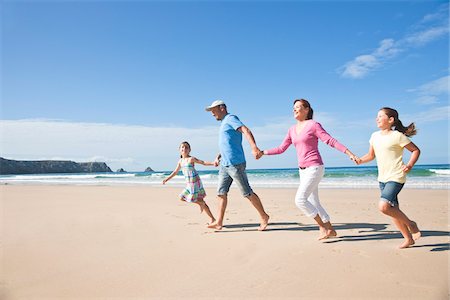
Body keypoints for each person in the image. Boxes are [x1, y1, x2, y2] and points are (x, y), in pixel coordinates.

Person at [258, 99, 358, 240]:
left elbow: (330, 140)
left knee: (300, 200)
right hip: (302, 170)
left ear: (306, 110)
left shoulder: (313, 125)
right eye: (293, 108)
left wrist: (349, 153)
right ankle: (331, 230)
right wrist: (263, 152)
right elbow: (281, 149)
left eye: (298, 107)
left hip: (315, 167)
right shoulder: (291, 130)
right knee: (314, 202)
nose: (295, 110)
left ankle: (323, 227)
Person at [355, 107, 421, 249]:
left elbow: (415, 150)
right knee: (393, 210)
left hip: (396, 176)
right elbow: (371, 155)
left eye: (380, 116)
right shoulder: (374, 136)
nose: (377, 119)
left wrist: (409, 165)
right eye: (376, 116)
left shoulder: (397, 136)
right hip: (382, 178)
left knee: (384, 207)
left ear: (390, 120)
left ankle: (411, 224)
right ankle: (409, 239)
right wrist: (360, 160)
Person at [205, 100, 270, 231]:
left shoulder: (231, 118)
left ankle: (264, 216)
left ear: (222, 108)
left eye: (213, 110)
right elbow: (228, 143)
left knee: (247, 193)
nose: (212, 114)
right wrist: (219, 156)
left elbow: (246, 130)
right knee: (221, 193)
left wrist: (254, 147)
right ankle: (219, 222)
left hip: (235, 164)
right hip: (225, 164)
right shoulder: (224, 123)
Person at [163, 141, 216, 224]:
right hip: (189, 184)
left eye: (186, 147)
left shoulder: (191, 159)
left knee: (194, 199)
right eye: (182, 147)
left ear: (189, 150)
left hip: (194, 182)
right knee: (182, 198)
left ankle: (211, 218)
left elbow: (203, 163)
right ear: (179, 150)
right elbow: (175, 172)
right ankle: (205, 209)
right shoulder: (180, 161)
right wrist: (167, 178)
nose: (184, 148)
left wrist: (213, 163)